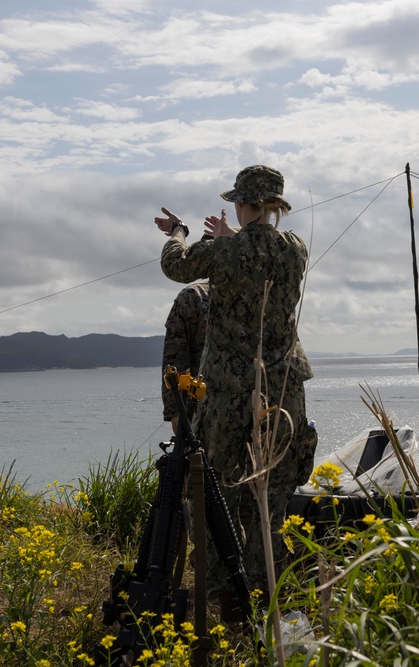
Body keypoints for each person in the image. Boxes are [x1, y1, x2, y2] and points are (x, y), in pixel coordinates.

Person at [155, 165, 318, 622]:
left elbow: (176, 266)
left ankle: (228, 601)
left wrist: (181, 233)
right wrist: (231, 236)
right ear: (276, 207)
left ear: (244, 204)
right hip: (283, 389)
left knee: (216, 494)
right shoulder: (297, 250)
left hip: (228, 392)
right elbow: (258, 253)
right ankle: (271, 590)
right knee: (272, 496)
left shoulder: (225, 252)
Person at [159, 282, 210, 434]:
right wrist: (176, 410)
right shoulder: (194, 297)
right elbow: (174, 359)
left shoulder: (271, 291)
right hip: (204, 415)